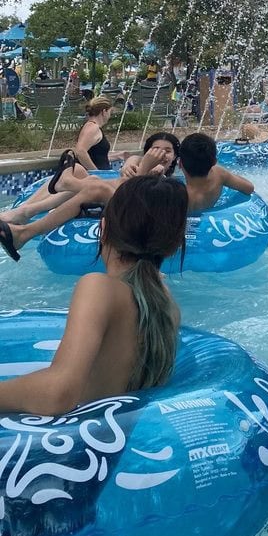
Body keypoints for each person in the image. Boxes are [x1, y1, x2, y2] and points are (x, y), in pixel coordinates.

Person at [0, 175, 187, 414]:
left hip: (72, 448)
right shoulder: (168, 304)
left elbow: (57, 393)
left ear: (103, 228)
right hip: (113, 447)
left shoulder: (101, 289)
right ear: (174, 245)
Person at [0, 140, 178, 259]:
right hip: (121, 196)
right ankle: (29, 211)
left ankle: (64, 185)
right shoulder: (138, 162)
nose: (161, 155)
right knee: (92, 180)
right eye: (155, 150)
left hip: (131, 209)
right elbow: (130, 164)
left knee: (96, 186)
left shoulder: (175, 185)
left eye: (167, 151)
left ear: (176, 156)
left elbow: (138, 205)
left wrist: (146, 171)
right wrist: (138, 168)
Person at [178, 132, 255, 213]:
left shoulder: (178, 195)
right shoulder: (219, 174)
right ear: (214, 162)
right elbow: (249, 188)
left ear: (180, 164)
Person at [74, 96, 126, 171]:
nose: (110, 116)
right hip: (95, 178)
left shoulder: (92, 126)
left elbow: (97, 155)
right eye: (110, 112)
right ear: (104, 112)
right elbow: (80, 151)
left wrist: (118, 156)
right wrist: (97, 173)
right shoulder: (92, 128)